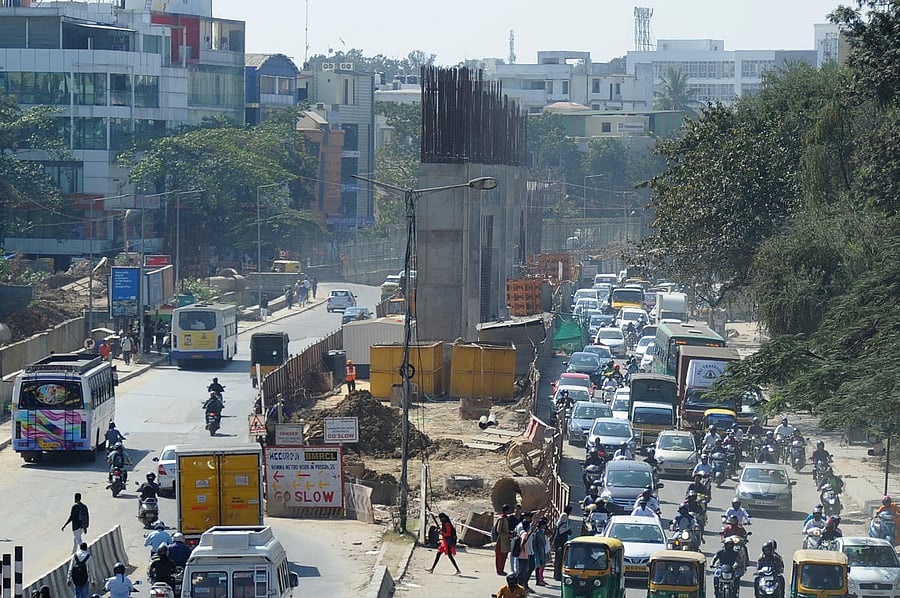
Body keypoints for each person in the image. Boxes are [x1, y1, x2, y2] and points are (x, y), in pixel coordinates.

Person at [553, 505, 572, 581]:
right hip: (560, 542)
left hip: (560, 541)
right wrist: (569, 530)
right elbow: (565, 528)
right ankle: (557, 575)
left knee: (559, 559)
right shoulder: (564, 516)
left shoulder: (563, 516)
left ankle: (557, 574)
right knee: (559, 559)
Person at [515, 519, 534, 591]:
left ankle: (521, 585)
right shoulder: (525, 534)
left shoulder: (523, 533)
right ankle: (520, 585)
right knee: (523, 571)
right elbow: (523, 542)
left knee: (523, 570)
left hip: (523, 555)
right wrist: (523, 549)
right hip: (524, 555)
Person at [493, 505, 511, 576]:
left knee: (504, 555)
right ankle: (499, 570)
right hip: (501, 539)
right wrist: (505, 534)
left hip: (506, 539)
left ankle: (502, 569)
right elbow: (498, 530)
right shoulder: (501, 519)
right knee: (499, 555)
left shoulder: (506, 518)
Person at [533, 517, 550, 586]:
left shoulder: (542, 532)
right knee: (539, 566)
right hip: (540, 551)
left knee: (542, 565)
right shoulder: (539, 533)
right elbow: (542, 542)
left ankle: (541, 578)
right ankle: (539, 580)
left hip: (542, 550)